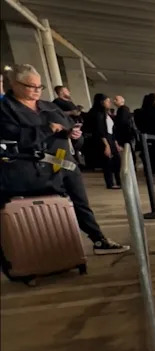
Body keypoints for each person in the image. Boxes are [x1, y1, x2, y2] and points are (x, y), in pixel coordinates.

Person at [0, 64, 128, 256]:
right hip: (28, 170)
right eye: (30, 86)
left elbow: (71, 129)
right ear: (14, 84)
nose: (36, 91)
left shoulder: (49, 106)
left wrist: (76, 136)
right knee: (39, 213)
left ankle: (98, 239)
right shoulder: (5, 109)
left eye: (39, 86)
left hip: (63, 162)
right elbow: (12, 138)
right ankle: (38, 255)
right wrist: (46, 130)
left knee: (80, 203)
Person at [85, 93, 122, 189]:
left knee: (117, 161)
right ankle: (110, 183)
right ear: (101, 102)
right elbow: (99, 130)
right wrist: (106, 145)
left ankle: (119, 181)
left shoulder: (105, 113)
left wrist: (115, 143)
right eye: (107, 101)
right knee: (107, 162)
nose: (109, 103)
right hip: (103, 140)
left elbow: (111, 129)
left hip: (110, 139)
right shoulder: (97, 114)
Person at [113, 95, 138, 165]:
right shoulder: (124, 109)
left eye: (116, 99)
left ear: (122, 101)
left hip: (125, 136)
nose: (114, 101)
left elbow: (122, 123)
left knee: (128, 152)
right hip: (127, 135)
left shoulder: (122, 110)